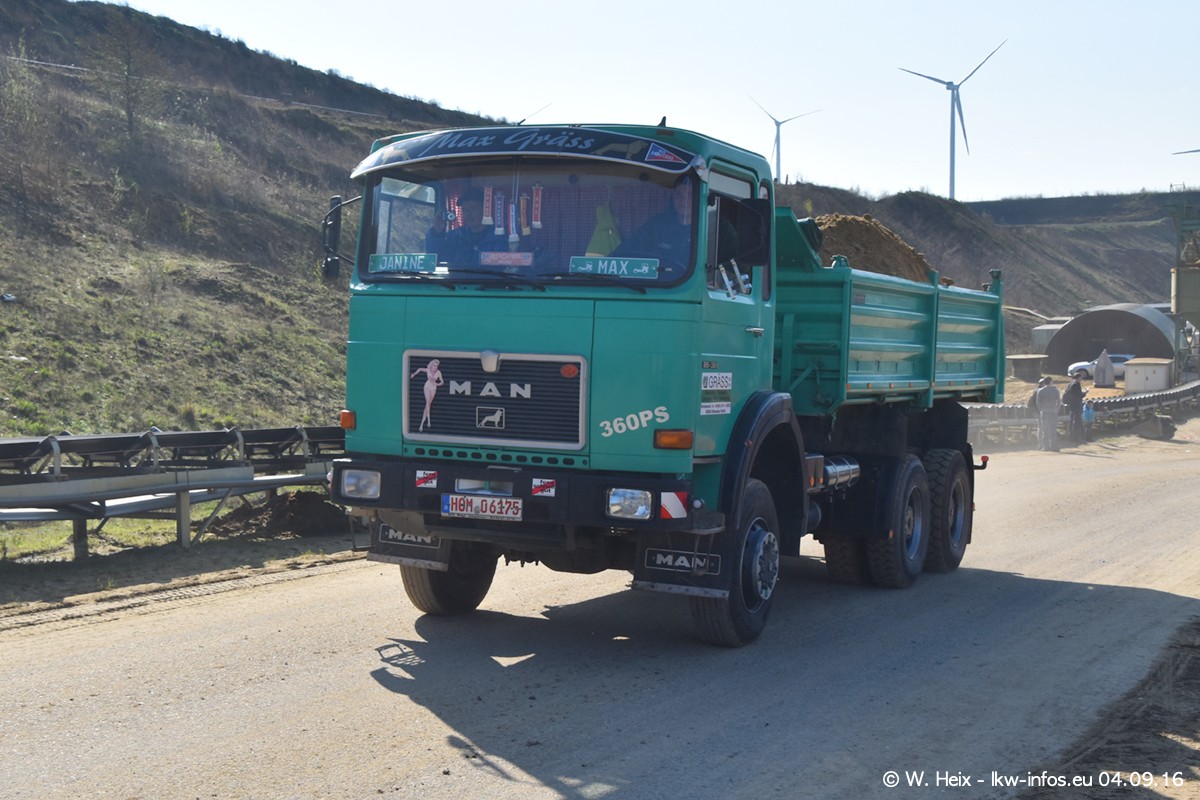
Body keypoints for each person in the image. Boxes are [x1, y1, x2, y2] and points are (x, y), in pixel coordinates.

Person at [612, 178, 693, 268]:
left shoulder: (703, 230)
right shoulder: (657, 225)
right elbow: (626, 250)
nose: (683, 201)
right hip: (657, 276)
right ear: (673, 196)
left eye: (690, 195)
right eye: (678, 194)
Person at [425, 187, 501, 266]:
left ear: (485, 210)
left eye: (473, 208)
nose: (469, 214)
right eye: (465, 209)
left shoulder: (499, 237)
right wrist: (437, 233)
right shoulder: (455, 237)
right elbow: (435, 257)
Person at [1035, 376, 1062, 451]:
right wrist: (1057, 409)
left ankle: (1046, 446)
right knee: (1053, 430)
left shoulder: (1040, 390)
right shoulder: (1055, 390)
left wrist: (1041, 409)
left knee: (1045, 430)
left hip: (1044, 412)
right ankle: (1054, 446)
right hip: (1053, 411)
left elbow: (1038, 402)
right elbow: (1059, 401)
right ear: (1050, 382)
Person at [1062, 372, 1087, 442]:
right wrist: (1085, 393)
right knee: (1077, 421)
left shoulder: (1071, 384)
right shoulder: (1077, 384)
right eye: (1080, 378)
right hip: (1076, 404)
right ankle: (1076, 437)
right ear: (1078, 378)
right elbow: (1079, 395)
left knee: (1071, 420)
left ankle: (1071, 436)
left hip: (1071, 404)